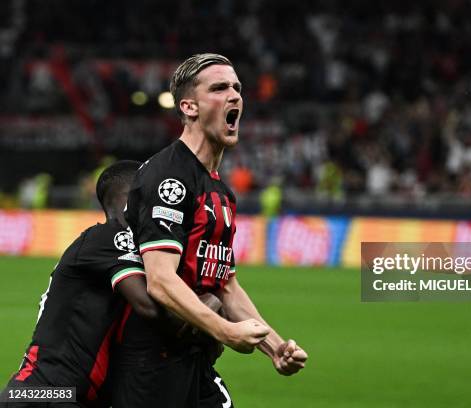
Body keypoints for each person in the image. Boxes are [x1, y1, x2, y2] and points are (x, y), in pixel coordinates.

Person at [119, 53, 307, 408]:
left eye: (237, 87)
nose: (235, 95)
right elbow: (160, 279)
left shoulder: (221, 192)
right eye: (220, 88)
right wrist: (224, 330)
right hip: (151, 368)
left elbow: (224, 284)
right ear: (189, 107)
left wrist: (275, 348)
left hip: (194, 358)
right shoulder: (169, 178)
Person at [0, 161, 196, 408]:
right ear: (137, 196)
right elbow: (151, 307)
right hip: (46, 391)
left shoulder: (115, 246)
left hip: (52, 393)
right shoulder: (111, 236)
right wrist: (212, 312)